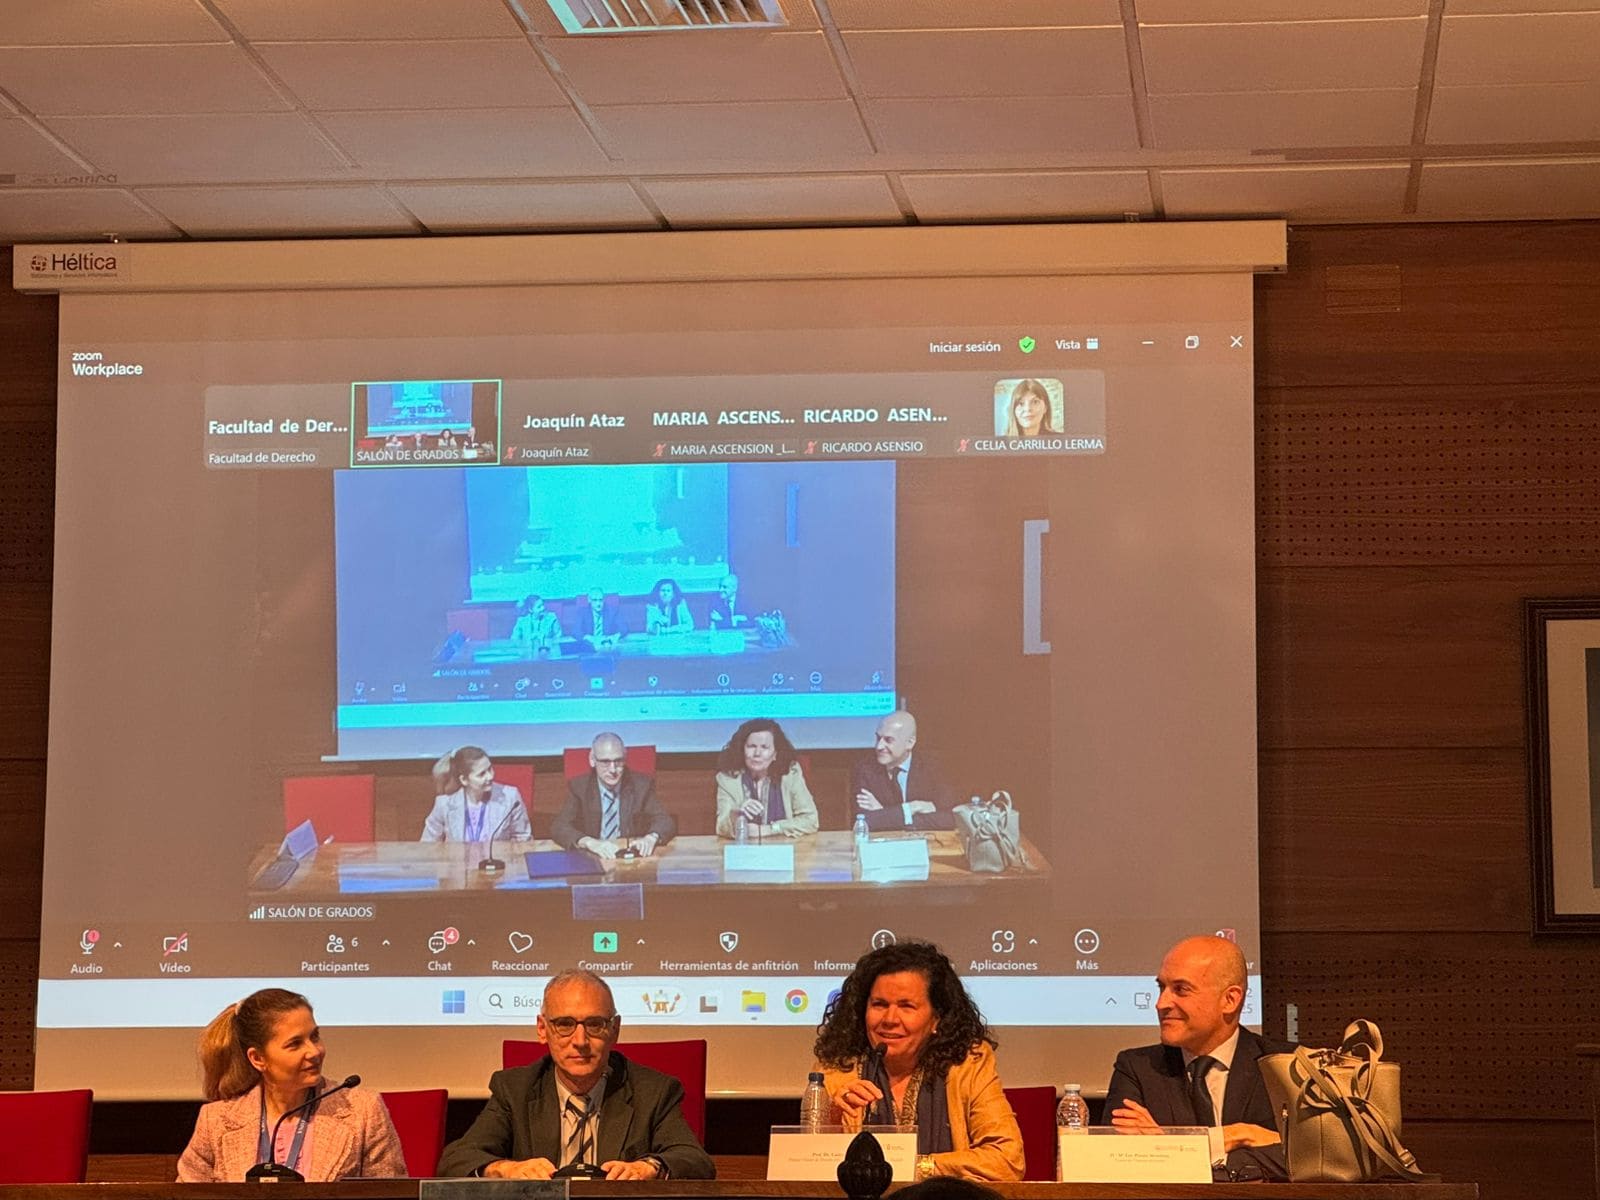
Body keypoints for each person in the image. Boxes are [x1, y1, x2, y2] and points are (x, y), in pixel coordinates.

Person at [436, 969, 714, 1180]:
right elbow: (456, 1160)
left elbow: (695, 1160)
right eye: (565, 1024)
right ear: (542, 1029)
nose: (580, 1041)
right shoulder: (515, 1089)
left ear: (614, 1029)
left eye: (595, 1024)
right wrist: (505, 1168)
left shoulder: (654, 1091)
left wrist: (649, 1167)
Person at [813, 942, 1024, 1182]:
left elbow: (1007, 1160)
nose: (890, 1019)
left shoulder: (968, 1063)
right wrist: (833, 1116)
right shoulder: (836, 1067)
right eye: (879, 1004)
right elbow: (808, 1165)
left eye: (906, 1006)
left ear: (936, 1019)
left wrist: (916, 1167)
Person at [1102, 934, 1291, 1178]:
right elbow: (1121, 1160)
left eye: (1180, 989)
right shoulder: (1137, 1068)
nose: (1161, 1003)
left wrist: (1165, 1146)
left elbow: (1308, 1162)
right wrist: (1238, 1135)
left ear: (1230, 1000)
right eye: (1161, 988)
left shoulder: (1287, 1066)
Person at [178, 988, 405, 1182]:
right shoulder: (216, 1121)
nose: (314, 1051)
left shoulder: (363, 1112)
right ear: (258, 1058)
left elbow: (391, 1194)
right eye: (295, 1044)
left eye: (314, 1037)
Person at [552, 732, 676, 859]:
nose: (613, 770)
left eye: (618, 761)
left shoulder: (641, 785)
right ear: (592, 760)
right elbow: (560, 827)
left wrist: (651, 838)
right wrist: (589, 842)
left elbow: (665, 821)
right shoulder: (580, 787)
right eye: (605, 762)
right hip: (594, 857)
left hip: (630, 859)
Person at [850, 710, 957, 832]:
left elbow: (950, 818)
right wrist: (911, 808)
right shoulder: (865, 770)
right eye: (878, 738)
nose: (879, 746)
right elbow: (862, 822)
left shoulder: (933, 767)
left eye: (888, 740)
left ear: (910, 743)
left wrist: (885, 814)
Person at [714, 717, 818, 840]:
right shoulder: (728, 779)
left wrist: (770, 829)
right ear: (742, 750)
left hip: (785, 848)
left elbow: (810, 820)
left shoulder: (790, 775)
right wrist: (736, 816)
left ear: (775, 754)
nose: (757, 753)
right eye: (751, 746)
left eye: (764, 747)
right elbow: (721, 826)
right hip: (743, 849)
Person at [419, 745, 532, 843]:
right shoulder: (445, 804)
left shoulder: (510, 797)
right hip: (457, 862)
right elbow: (428, 845)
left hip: (498, 861)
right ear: (464, 780)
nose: (490, 776)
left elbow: (523, 840)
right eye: (481, 774)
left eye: (490, 769)